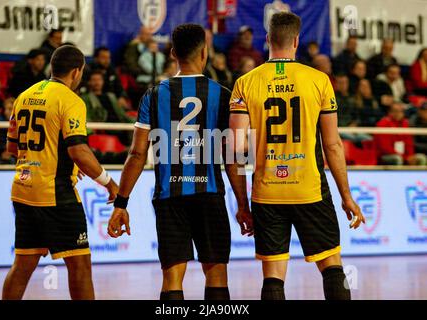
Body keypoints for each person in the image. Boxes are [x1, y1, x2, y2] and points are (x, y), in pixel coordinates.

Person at [107, 24, 248, 301]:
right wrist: (243, 204)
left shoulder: (154, 94)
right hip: (209, 195)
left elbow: (136, 155)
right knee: (217, 273)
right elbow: (233, 156)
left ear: (172, 53)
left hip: (169, 197)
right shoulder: (223, 95)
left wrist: (121, 203)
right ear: (205, 53)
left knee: (172, 277)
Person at [229, 12, 364, 300]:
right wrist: (346, 195)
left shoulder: (245, 83)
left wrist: (242, 204)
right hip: (310, 190)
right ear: (296, 41)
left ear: (267, 40)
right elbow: (333, 145)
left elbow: (236, 150)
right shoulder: (319, 80)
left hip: (267, 193)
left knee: (273, 277)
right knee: (332, 269)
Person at [2, 45, 119, 300]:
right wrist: (109, 183)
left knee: (22, 266)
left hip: (23, 191)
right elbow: (80, 151)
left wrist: (47, 160)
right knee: (80, 265)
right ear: (77, 72)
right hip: (56, 194)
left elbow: (12, 147)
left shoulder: (24, 96)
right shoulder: (70, 100)